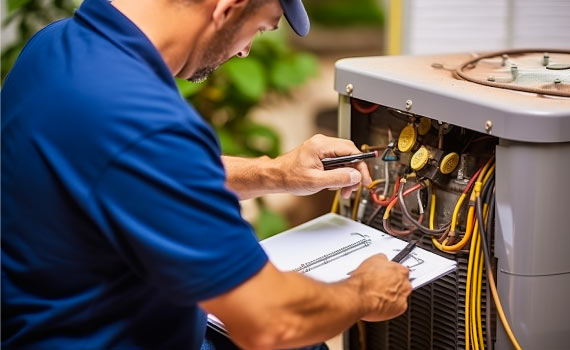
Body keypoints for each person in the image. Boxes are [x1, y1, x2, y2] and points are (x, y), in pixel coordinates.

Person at [0, 0, 412, 349]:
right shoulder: (141, 117)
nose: (246, 50)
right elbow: (272, 320)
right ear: (228, 7)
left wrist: (275, 172)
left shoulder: (57, 47)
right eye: (260, 28)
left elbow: (132, 172)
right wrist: (365, 292)